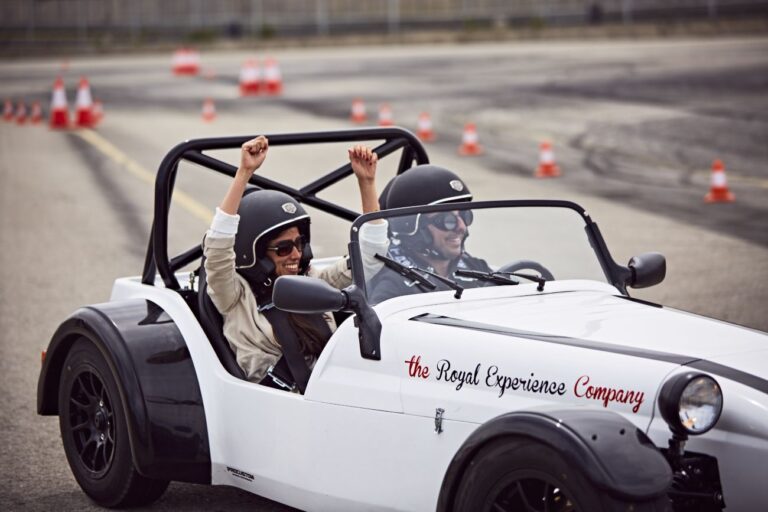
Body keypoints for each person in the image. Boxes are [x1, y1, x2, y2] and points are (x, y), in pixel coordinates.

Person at [203, 136, 387, 390]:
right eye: (283, 248)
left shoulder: (311, 282)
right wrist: (244, 173)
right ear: (254, 251)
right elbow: (217, 251)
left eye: (299, 244)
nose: (296, 255)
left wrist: (367, 182)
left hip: (326, 396)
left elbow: (371, 259)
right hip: (268, 407)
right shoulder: (234, 297)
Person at [368, 164, 492, 304]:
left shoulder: (476, 268)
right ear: (411, 226)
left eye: (464, 216)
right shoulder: (393, 286)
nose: (461, 227)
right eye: (447, 220)